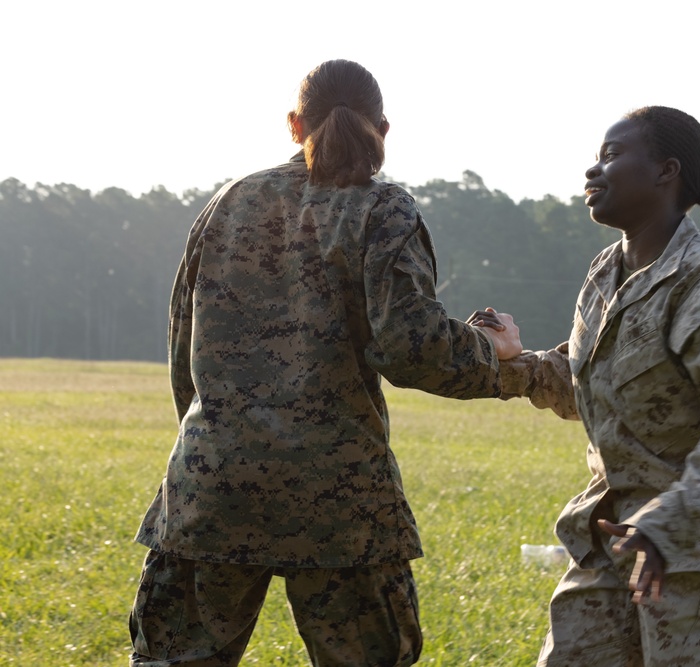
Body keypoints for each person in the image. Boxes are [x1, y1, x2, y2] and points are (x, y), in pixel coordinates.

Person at [128, 59, 521, 667]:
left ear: (293, 125)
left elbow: (184, 345)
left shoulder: (230, 201)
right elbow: (411, 347)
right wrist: (486, 349)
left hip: (214, 487)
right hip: (341, 500)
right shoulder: (383, 210)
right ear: (383, 130)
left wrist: (219, 441)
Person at [473, 106, 700, 666]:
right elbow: (592, 389)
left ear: (667, 172)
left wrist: (666, 527)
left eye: (613, 155)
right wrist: (513, 362)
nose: (594, 170)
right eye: (597, 156)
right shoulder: (603, 273)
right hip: (610, 543)